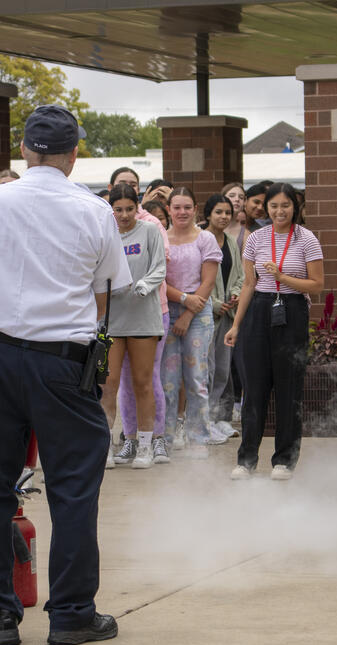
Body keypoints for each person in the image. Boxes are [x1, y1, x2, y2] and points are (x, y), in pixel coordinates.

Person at [0, 104, 129, 645]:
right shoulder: (94, 210)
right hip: (62, 361)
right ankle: (71, 614)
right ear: (74, 155)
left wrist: (1, 322)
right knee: (73, 490)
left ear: (24, 150)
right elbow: (104, 296)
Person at [225, 182, 324, 480]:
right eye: (274, 206)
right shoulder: (256, 238)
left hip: (292, 310)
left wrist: (283, 277)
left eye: (285, 205)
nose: (280, 211)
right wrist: (236, 325)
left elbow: (316, 285)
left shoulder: (307, 239)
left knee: (288, 388)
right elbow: (248, 283)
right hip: (259, 310)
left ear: (295, 207)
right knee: (254, 388)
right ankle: (246, 460)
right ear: (265, 208)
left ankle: (284, 460)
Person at [101, 183, 166, 469]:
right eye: (119, 209)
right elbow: (95, 269)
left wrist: (144, 285)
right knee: (108, 384)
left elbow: (159, 267)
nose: (125, 215)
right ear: (111, 210)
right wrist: (110, 287)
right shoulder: (105, 234)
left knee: (142, 382)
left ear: (138, 207)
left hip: (143, 318)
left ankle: (145, 445)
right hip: (112, 320)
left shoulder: (150, 231)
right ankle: (104, 448)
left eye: (130, 208)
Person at [162, 187, 223, 454]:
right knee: (168, 380)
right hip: (168, 311)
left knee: (197, 377)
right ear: (168, 210)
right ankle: (166, 437)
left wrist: (188, 312)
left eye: (187, 207)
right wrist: (183, 299)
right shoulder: (161, 238)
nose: (182, 212)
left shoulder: (205, 238)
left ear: (195, 209)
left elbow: (208, 282)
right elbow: (158, 279)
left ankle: (198, 437)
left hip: (198, 315)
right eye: (177, 207)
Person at [204, 194, 244, 437]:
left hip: (228, 315)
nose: (224, 216)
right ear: (208, 214)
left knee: (222, 369)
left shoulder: (230, 241)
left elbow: (240, 275)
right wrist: (215, 304)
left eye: (227, 212)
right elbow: (195, 279)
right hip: (205, 314)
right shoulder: (200, 239)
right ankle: (203, 420)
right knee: (205, 369)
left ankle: (219, 418)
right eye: (218, 212)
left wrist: (236, 293)